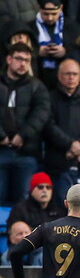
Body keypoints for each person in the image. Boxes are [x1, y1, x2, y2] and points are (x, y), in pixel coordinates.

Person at [0, 42, 50, 206]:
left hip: (26, 153)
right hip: (1, 150)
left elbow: (41, 114)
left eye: (27, 60)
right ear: (9, 59)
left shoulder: (37, 87)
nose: (23, 64)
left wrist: (22, 136)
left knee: (23, 202)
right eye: (19, 59)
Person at [41, 59, 80, 180]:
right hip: (55, 160)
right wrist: (69, 144)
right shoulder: (49, 98)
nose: (71, 77)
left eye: (75, 74)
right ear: (59, 76)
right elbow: (48, 125)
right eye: (67, 74)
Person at [31, 0, 80, 90]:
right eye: (45, 14)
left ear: (61, 8)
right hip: (39, 76)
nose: (50, 18)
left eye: (54, 14)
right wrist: (37, 52)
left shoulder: (72, 27)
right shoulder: (30, 27)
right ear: (38, 9)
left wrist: (65, 52)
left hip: (64, 80)